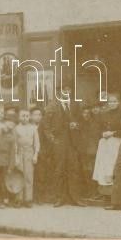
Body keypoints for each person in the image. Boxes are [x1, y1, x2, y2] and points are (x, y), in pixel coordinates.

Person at [42, 79, 85, 208]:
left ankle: (75, 198)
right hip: (59, 142)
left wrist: (76, 125)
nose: (66, 91)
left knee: (74, 169)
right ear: (59, 91)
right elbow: (45, 125)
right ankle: (60, 198)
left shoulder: (75, 105)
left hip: (73, 143)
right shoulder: (52, 105)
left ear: (71, 91)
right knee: (59, 169)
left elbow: (82, 122)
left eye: (68, 89)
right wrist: (52, 140)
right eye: (63, 89)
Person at [90, 92, 121, 203]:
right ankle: (105, 194)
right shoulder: (104, 114)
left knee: (113, 167)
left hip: (116, 143)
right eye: (110, 101)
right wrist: (102, 133)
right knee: (104, 167)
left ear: (118, 102)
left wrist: (113, 133)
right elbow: (97, 128)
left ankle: (114, 195)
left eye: (114, 101)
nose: (112, 103)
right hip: (105, 144)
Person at [14, 108, 40, 208]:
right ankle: (19, 199)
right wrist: (16, 157)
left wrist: (35, 155)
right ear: (19, 117)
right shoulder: (16, 129)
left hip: (29, 153)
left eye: (27, 116)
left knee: (29, 176)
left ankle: (28, 199)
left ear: (29, 117)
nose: (25, 118)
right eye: (23, 116)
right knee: (19, 175)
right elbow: (15, 144)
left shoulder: (33, 128)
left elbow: (37, 143)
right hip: (20, 153)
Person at [77, 103, 101, 201]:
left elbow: (95, 137)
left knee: (92, 171)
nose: (86, 115)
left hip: (92, 151)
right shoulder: (79, 124)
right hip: (83, 152)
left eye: (88, 113)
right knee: (85, 171)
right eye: (84, 113)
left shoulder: (95, 124)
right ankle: (87, 191)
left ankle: (93, 192)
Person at [30, 106, 50, 204]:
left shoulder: (44, 127)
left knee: (41, 175)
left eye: (39, 115)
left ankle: (40, 197)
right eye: (35, 115)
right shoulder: (29, 127)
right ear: (31, 116)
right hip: (29, 154)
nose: (38, 117)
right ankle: (31, 196)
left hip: (42, 154)